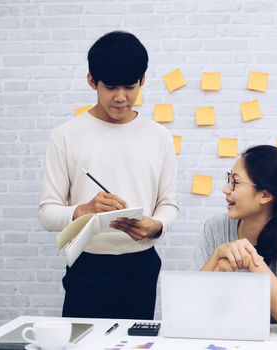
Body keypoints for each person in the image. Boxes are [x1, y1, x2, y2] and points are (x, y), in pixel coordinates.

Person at [39, 31, 178, 319]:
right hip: (87, 267)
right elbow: (46, 213)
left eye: (130, 86)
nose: (120, 97)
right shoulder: (65, 136)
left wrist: (157, 226)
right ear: (92, 81)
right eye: (110, 86)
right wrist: (83, 211)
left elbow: (169, 202)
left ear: (143, 80)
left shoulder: (159, 136)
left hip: (141, 266)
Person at [194, 145, 277, 336]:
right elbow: (192, 308)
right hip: (220, 334)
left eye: (235, 183)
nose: (225, 189)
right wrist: (217, 256)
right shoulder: (214, 227)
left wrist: (253, 262)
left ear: (265, 195)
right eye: (229, 179)